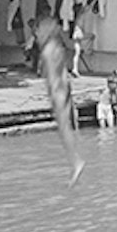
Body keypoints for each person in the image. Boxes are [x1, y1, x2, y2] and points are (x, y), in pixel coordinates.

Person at [35, 17, 85, 187]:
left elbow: (51, 77)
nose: (36, 35)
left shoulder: (47, 51)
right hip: (65, 88)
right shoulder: (58, 47)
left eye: (38, 31)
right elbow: (63, 73)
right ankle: (75, 161)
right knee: (67, 127)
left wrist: (53, 95)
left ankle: (76, 162)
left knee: (63, 129)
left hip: (57, 92)